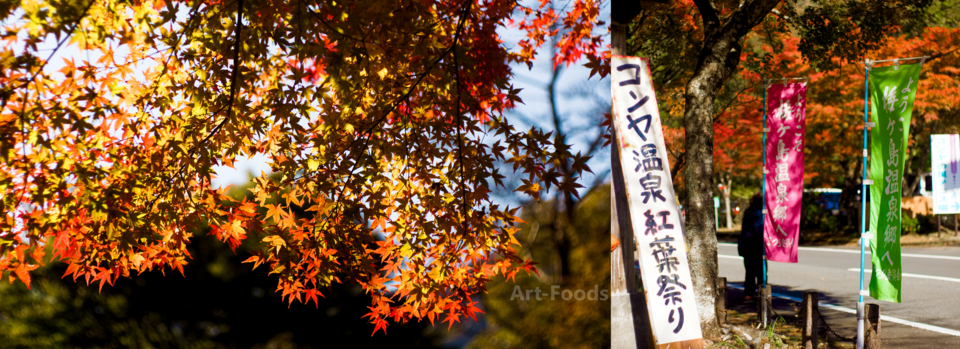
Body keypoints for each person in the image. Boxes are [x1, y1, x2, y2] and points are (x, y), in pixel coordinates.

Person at [738, 191, 765, 300]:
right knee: (761, 271)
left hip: (747, 244)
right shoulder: (760, 212)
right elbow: (759, 229)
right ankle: (762, 293)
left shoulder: (748, 211)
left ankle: (749, 293)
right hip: (757, 245)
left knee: (749, 271)